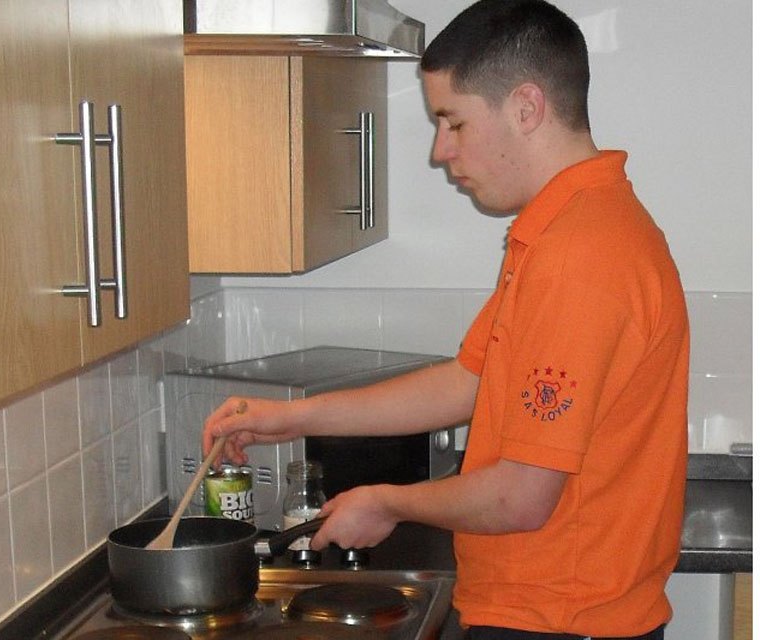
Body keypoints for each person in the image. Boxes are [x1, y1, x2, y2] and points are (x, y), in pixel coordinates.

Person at [202, 1, 689, 638]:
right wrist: (291, 417)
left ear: (525, 108)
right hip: (555, 612)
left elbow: (520, 497)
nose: (440, 151)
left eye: (453, 122)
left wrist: (389, 503)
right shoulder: (569, 230)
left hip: (559, 620)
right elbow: (469, 381)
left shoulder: (581, 258)